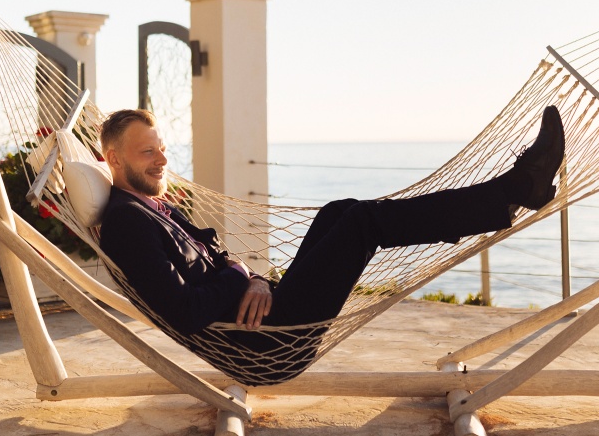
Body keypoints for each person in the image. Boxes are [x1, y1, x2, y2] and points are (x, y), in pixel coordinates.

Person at [98, 106, 565, 384]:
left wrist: (254, 278)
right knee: (362, 223)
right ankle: (514, 190)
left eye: (161, 148)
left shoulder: (151, 205)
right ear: (114, 159)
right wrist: (242, 277)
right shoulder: (126, 222)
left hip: (263, 312)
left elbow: (218, 259)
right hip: (265, 344)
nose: (162, 160)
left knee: (339, 211)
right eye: (148, 152)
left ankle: (505, 196)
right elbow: (182, 311)